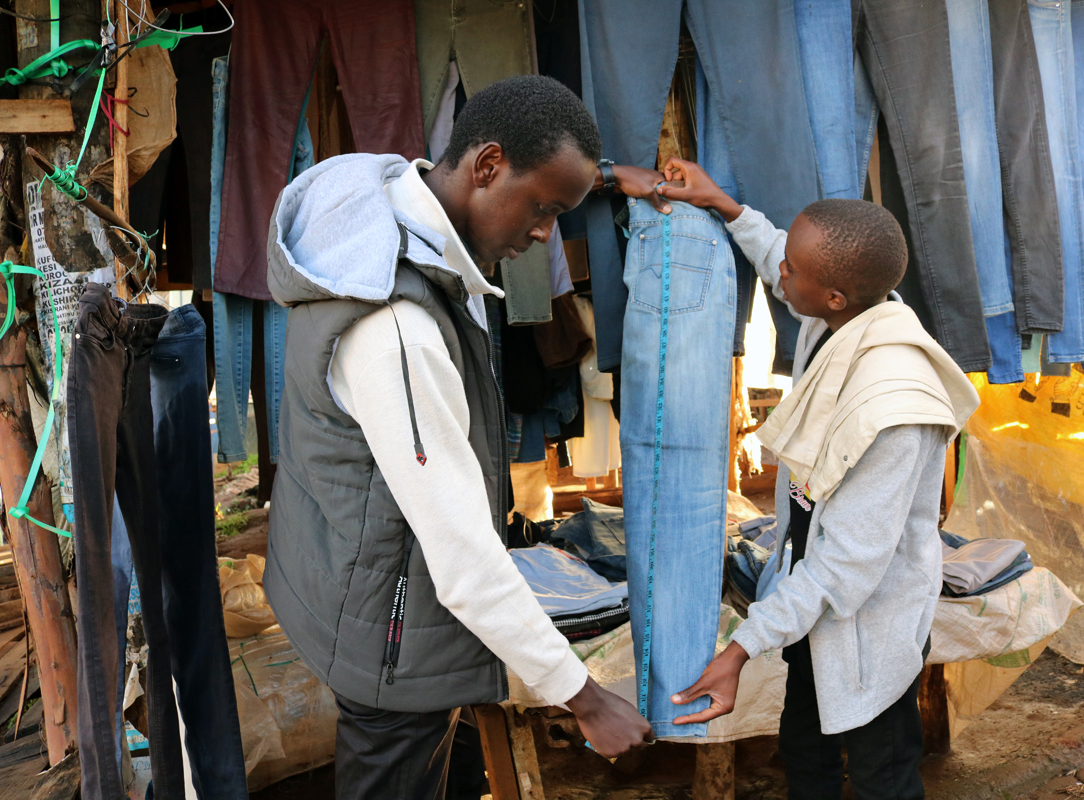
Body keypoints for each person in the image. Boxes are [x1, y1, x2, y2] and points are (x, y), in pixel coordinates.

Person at [263, 76, 667, 799]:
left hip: (356, 589)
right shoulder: (396, 326)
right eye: (544, 208)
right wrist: (584, 697)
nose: (546, 233)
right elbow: (460, 556)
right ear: (486, 167)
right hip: (394, 645)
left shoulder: (388, 209)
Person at [654, 159, 979, 800]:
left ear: (833, 294)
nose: (780, 276)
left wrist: (739, 650)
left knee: (883, 774)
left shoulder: (895, 407)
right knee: (806, 759)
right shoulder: (841, 318)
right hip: (812, 607)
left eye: (792, 273)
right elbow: (784, 253)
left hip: (868, 623)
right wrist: (724, 203)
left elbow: (847, 567)